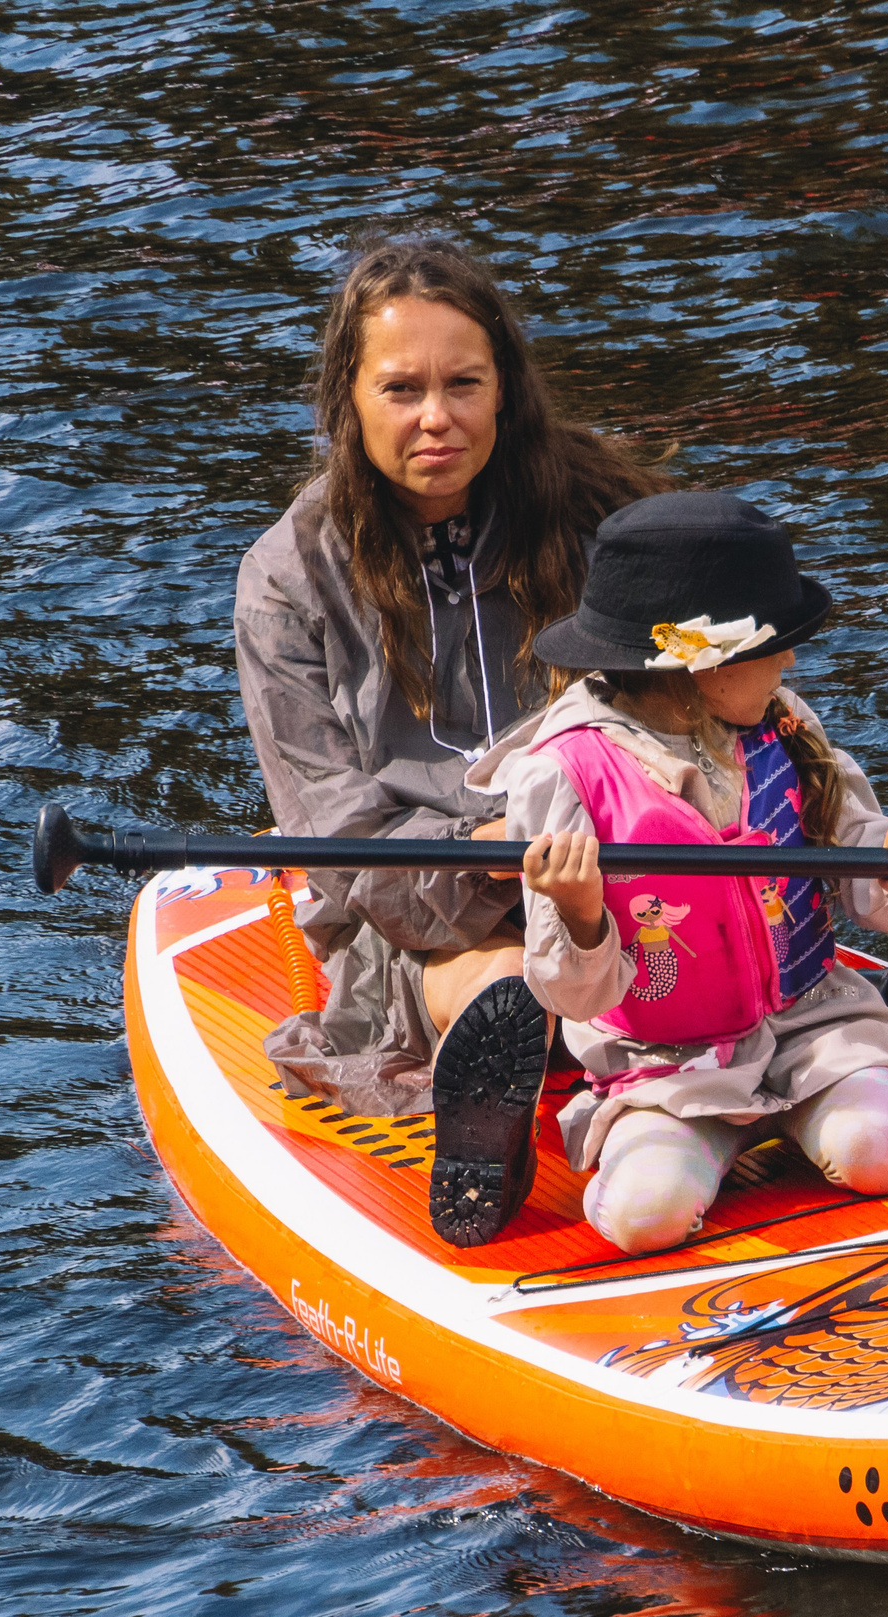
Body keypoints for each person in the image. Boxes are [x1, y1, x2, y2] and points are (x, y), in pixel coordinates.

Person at [233, 235, 667, 1241]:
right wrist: (477, 865)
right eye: (402, 389)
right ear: (348, 398)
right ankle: (499, 1095)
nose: (438, 418)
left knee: (689, 919)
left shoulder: (605, 514)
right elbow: (336, 834)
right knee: (509, 983)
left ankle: (815, 1025)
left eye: (464, 383)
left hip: (619, 860)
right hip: (421, 906)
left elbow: (703, 703)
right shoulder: (286, 579)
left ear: (505, 390)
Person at [461, 489, 888, 1254]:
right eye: (773, 642)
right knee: (645, 1218)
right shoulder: (565, 773)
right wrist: (580, 913)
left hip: (809, 1025)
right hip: (665, 1064)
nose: (791, 658)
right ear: (695, 667)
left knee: (882, 1152)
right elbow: (570, 993)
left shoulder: (785, 725)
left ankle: (868, 1050)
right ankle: (637, 1148)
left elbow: (858, 861)